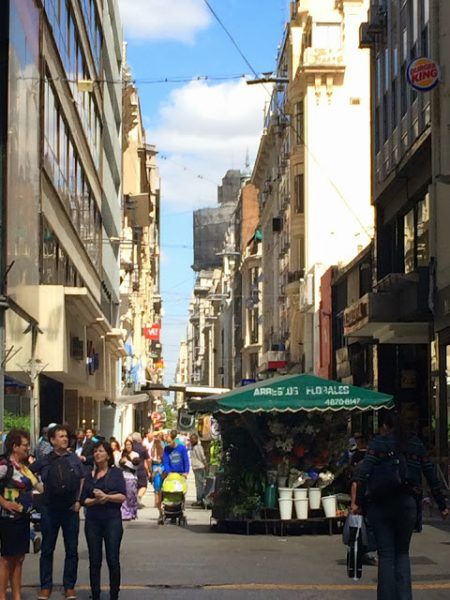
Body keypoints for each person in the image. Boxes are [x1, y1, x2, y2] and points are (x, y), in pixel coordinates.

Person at [351, 412, 448, 600]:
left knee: (386, 554)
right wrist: (442, 505)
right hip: (407, 504)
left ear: (386, 427)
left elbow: (363, 475)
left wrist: (358, 504)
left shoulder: (378, 443)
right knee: (402, 553)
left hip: (380, 505)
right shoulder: (416, 444)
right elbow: (431, 476)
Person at [30, 425, 84, 600]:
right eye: (60, 436)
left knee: (72, 550)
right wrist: (37, 486)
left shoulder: (74, 459)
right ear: (52, 440)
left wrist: (79, 500)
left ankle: (69, 586)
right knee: (47, 549)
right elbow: (27, 472)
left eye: (66, 436)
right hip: (49, 509)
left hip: (70, 509)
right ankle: (46, 586)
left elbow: (83, 478)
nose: (65, 439)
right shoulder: (45, 459)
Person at [0, 429, 42, 600]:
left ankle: (17, 595)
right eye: (25, 445)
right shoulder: (5, 466)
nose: (27, 448)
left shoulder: (25, 469)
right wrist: (4, 503)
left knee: (19, 559)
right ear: (15, 446)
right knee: (6, 560)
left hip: (23, 518)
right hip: (7, 518)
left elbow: (40, 487)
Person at [81, 441, 126, 600]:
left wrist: (106, 497)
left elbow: (122, 496)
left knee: (113, 558)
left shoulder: (116, 473)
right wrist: (95, 501)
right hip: (93, 520)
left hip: (111, 520)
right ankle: (95, 594)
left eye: (100, 451)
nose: (97, 454)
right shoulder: (89, 475)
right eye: (95, 451)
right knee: (94, 559)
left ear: (108, 455)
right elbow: (83, 500)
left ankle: (114, 594)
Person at [118, 439, 139, 521]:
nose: (128, 446)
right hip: (123, 477)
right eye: (126, 444)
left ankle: (132, 512)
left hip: (132, 478)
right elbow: (118, 465)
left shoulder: (135, 454)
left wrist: (126, 462)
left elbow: (135, 467)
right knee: (124, 496)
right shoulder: (122, 454)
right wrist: (121, 462)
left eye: (129, 444)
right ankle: (125, 513)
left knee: (131, 496)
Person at [130, 433, 149, 508]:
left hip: (131, 468)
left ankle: (134, 500)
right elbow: (147, 461)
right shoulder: (143, 448)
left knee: (135, 485)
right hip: (141, 469)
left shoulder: (130, 447)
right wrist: (148, 471)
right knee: (143, 485)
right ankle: (139, 497)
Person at [148, 433, 164, 513]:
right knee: (160, 486)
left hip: (155, 468)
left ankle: (156, 502)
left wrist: (150, 471)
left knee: (156, 487)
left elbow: (150, 460)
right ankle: (159, 501)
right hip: (161, 468)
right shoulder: (161, 449)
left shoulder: (152, 450)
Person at [189, 434, 207, 507]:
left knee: (200, 485)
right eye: (191, 439)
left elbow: (202, 457)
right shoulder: (193, 447)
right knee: (199, 484)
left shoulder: (198, 447)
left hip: (199, 467)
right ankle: (200, 499)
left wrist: (205, 464)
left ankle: (200, 500)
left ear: (196, 439)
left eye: (193, 439)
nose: (191, 441)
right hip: (196, 468)